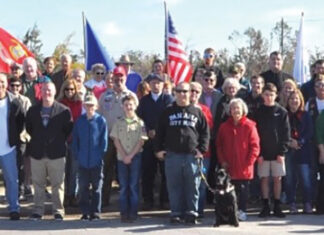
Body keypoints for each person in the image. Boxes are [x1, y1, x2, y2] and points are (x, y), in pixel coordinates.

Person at [154, 82, 209, 224]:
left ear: (190, 93)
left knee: (193, 185)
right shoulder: (167, 111)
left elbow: (205, 133)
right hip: (172, 155)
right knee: (174, 185)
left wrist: (201, 149)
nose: (182, 94)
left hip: (192, 155)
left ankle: (192, 213)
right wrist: (158, 150)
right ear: (175, 93)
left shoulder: (197, 112)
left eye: (185, 91)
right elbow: (159, 132)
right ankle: (176, 213)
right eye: (179, 91)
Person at [26, 81, 73, 220]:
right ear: (41, 92)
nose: (47, 93)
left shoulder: (64, 110)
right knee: (38, 184)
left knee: (57, 185)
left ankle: (58, 211)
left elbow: (67, 130)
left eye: (49, 90)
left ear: (54, 92)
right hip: (37, 153)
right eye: (45, 90)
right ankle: (38, 211)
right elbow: (30, 128)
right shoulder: (33, 110)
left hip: (56, 153)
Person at [98, 65, 138, 206]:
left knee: (125, 172)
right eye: (116, 77)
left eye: (121, 77)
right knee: (106, 170)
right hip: (109, 138)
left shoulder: (131, 96)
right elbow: (100, 116)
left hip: (126, 140)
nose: (118, 80)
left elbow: (136, 118)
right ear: (112, 78)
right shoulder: (105, 96)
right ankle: (103, 201)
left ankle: (126, 203)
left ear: (125, 78)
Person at [217, 98, 260, 221]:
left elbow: (255, 146)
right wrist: (222, 161)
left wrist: (249, 162)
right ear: (230, 111)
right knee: (228, 190)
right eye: (233, 108)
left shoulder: (250, 126)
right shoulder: (224, 127)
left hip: (244, 165)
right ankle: (229, 212)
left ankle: (242, 210)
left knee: (243, 191)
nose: (236, 110)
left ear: (243, 110)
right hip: (228, 165)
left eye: (238, 108)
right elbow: (219, 145)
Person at [137, 74, 173, 211]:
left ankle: (165, 200)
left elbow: (171, 119)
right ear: (149, 84)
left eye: (159, 83)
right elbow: (139, 119)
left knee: (165, 172)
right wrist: (147, 130)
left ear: (163, 84)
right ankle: (148, 200)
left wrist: (159, 132)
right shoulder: (144, 101)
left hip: (164, 142)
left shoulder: (168, 100)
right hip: (148, 142)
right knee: (147, 172)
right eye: (153, 83)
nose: (156, 85)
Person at [254, 83, 290, 218]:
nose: (269, 97)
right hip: (263, 153)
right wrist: (259, 153)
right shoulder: (258, 111)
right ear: (262, 95)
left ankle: (277, 205)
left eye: (271, 95)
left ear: (276, 96)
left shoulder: (282, 112)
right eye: (266, 95)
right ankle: (265, 205)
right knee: (264, 178)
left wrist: (282, 152)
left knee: (277, 179)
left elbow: (286, 134)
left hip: (278, 153)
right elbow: (255, 133)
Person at [111, 95, 147, 222]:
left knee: (133, 185)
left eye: (131, 104)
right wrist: (124, 155)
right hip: (121, 158)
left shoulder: (140, 123)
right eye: (126, 105)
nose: (128, 107)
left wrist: (130, 156)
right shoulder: (118, 122)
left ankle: (133, 213)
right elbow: (116, 140)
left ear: (135, 106)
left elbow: (141, 141)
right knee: (124, 186)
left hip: (135, 157)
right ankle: (124, 213)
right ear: (122, 107)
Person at [72, 94, 108, 220]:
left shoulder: (101, 121)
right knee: (83, 187)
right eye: (87, 105)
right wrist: (77, 155)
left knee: (97, 187)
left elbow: (104, 142)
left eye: (92, 105)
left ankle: (96, 212)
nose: (89, 107)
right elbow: (75, 140)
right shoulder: (79, 121)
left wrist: (100, 156)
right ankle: (85, 211)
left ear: (96, 106)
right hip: (82, 161)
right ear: (84, 105)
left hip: (96, 161)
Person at [0, 73, 24, 220]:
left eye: (2, 82)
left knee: (12, 179)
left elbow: (21, 121)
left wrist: (14, 138)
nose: (0, 85)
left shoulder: (14, 102)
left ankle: (14, 208)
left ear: (6, 83)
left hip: (8, 148)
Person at [285, 89, 313, 214]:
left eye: (296, 98)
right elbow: (281, 131)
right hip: (288, 149)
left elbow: (309, 132)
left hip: (303, 150)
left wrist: (300, 142)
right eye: (291, 99)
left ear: (300, 100)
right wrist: (290, 142)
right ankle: (291, 203)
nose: (294, 101)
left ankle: (307, 203)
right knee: (290, 178)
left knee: (305, 178)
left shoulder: (305, 115)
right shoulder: (284, 114)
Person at [57, 79, 83, 207]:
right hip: (61, 141)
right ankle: (64, 195)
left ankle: (72, 194)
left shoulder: (80, 104)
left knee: (74, 170)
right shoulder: (59, 104)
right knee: (62, 170)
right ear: (63, 90)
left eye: (72, 89)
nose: (69, 92)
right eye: (67, 89)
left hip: (76, 140)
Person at [189, 82, 214, 218]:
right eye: (191, 90)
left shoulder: (205, 109)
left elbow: (209, 129)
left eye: (197, 91)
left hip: (204, 153)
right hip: (186, 153)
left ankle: (199, 211)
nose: (194, 93)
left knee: (201, 183)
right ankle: (189, 210)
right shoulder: (182, 108)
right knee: (188, 182)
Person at [8, 78, 32, 201]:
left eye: (18, 85)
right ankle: (10, 191)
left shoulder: (25, 100)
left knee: (20, 165)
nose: (15, 88)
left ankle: (21, 190)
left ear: (21, 87)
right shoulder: (5, 100)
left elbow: (29, 117)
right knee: (8, 166)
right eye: (12, 85)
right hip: (7, 138)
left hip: (22, 137)